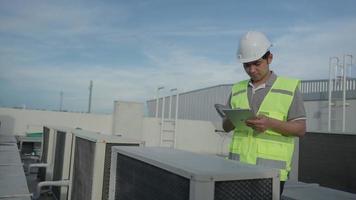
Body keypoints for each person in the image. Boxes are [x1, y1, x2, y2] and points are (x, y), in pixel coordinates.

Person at [223, 31, 306, 195]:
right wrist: (233, 119)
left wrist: (270, 123)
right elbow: (225, 127)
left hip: (270, 174)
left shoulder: (289, 88)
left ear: (270, 58)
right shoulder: (237, 89)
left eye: (257, 63)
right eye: (246, 65)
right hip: (236, 169)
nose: (251, 70)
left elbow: (300, 129)